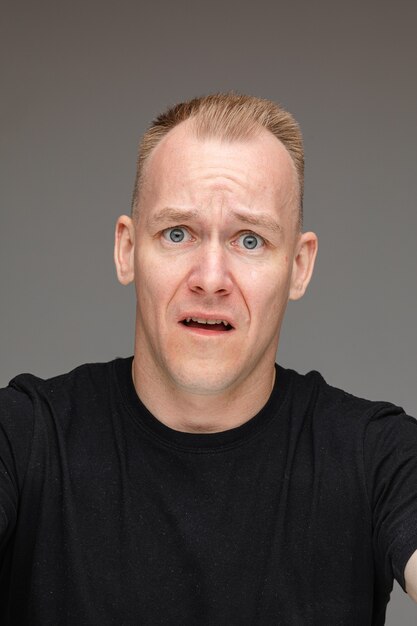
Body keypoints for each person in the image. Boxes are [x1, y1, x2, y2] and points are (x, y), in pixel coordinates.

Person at [0, 93, 416, 625]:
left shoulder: (378, 456)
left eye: (249, 239)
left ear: (299, 266)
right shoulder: (23, 437)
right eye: (178, 233)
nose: (211, 278)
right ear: (128, 250)